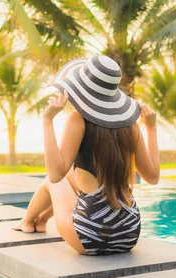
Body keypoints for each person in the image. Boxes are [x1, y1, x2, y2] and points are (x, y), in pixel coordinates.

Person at [12, 55, 160, 255]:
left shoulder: (78, 120)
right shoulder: (130, 127)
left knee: (52, 181)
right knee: (71, 177)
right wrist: (151, 129)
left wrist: (47, 121)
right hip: (129, 235)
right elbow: (152, 177)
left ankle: (27, 222)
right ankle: (40, 220)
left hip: (89, 237)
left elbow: (55, 175)